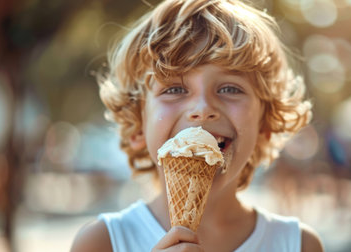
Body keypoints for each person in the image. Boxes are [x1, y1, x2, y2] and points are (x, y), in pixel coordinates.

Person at [71, 0, 323, 251]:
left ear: (264, 127)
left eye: (229, 88)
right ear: (138, 126)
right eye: (175, 89)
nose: (202, 109)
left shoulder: (299, 244)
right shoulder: (103, 242)